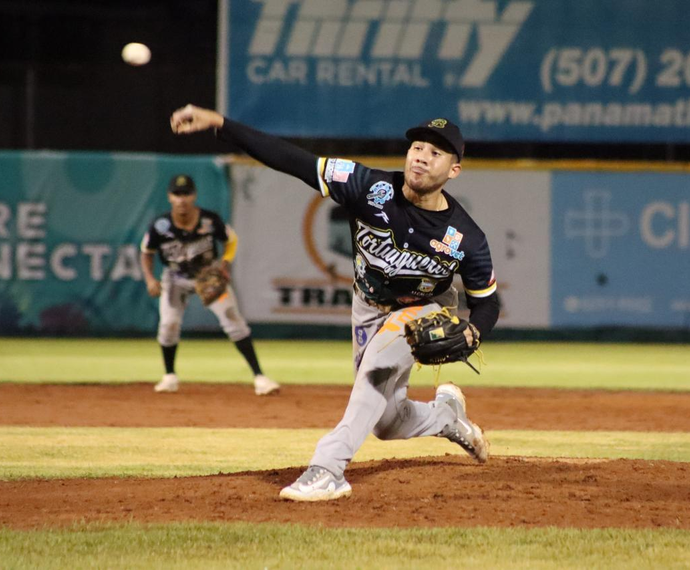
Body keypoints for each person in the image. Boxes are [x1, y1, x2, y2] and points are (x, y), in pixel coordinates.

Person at [170, 105, 500, 501]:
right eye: (417, 147)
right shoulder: (366, 185)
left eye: (436, 153)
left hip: (424, 308)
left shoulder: (466, 237)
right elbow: (292, 160)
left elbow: (487, 303)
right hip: (367, 308)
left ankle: (328, 468)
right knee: (387, 423)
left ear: (453, 170)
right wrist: (221, 125)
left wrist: (473, 330)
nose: (422, 156)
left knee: (376, 371)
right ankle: (446, 416)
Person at [140, 174, 280, 396]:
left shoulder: (209, 220)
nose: (182, 199)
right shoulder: (160, 225)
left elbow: (231, 240)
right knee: (168, 326)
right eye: (177, 194)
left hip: (208, 277)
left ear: (194, 195)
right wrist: (150, 278)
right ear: (169, 197)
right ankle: (169, 377)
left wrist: (225, 263)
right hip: (175, 278)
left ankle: (260, 378)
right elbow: (146, 252)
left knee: (234, 321)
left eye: (186, 193)